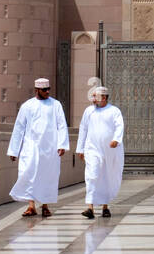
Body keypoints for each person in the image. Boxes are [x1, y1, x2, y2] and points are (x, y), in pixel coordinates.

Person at [7, 77, 69, 218]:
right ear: (37, 90)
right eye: (44, 90)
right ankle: (31, 206)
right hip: (31, 147)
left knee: (47, 176)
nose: (47, 92)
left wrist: (62, 144)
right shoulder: (27, 106)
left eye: (48, 89)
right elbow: (19, 128)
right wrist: (14, 150)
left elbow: (61, 125)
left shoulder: (55, 105)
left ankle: (45, 206)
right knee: (28, 174)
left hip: (50, 148)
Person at [76, 85, 124, 219]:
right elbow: (83, 129)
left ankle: (105, 207)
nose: (93, 99)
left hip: (109, 151)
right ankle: (90, 207)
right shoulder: (89, 111)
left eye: (95, 96)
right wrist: (80, 148)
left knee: (106, 176)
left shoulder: (114, 111)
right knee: (92, 174)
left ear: (104, 97)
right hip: (92, 149)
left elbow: (119, 126)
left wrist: (116, 139)